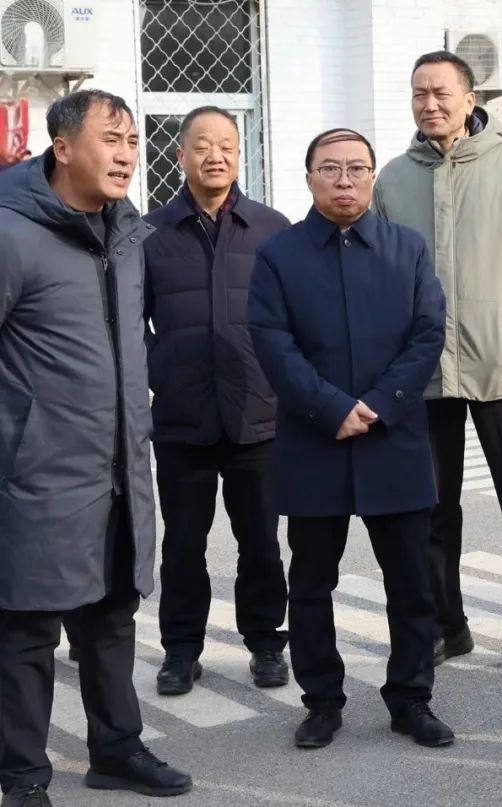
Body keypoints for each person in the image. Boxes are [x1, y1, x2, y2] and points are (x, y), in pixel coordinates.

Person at [0, 90, 191, 805]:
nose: (126, 154)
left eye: (133, 140)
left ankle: (117, 748)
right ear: (62, 147)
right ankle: (22, 778)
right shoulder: (12, 233)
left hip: (120, 468)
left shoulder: (126, 234)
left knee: (112, 614)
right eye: (111, 139)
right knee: (26, 628)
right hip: (37, 474)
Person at [248, 127, 453, 751]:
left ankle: (411, 699)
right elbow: (271, 341)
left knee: (412, 583)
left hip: (395, 439)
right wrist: (332, 408)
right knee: (312, 585)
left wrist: (380, 405)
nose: (345, 180)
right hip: (315, 439)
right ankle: (321, 701)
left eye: (357, 169)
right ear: (309, 177)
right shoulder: (279, 255)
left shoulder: (407, 249)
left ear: (372, 176)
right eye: (331, 169)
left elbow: (428, 333)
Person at [372, 51, 502, 675]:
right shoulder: (393, 179)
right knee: (432, 507)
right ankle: (446, 626)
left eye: (441, 93)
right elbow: (378, 272)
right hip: (423, 371)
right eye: (419, 94)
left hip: (499, 362)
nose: (429, 104)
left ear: (469, 99)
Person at [143, 106, 290, 696]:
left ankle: (266, 643)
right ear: (180, 155)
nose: (216, 155)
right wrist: (161, 368)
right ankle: (181, 651)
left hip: (257, 415)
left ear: (240, 153)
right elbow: (131, 321)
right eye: (202, 145)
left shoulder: (271, 229)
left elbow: (292, 317)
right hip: (183, 418)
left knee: (260, 543)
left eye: (227, 144)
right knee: (183, 546)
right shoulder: (150, 234)